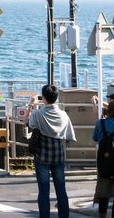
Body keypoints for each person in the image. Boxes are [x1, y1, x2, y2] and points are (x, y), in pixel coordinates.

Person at [26, 84, 76, 218]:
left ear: (44, 98)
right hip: (58, 154)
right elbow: (69, 136)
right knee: (61, 190)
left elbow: (27, 123)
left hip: (42, 155)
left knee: (43, 191)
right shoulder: (63, 115)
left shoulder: (38, 114)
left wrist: (31, 105)